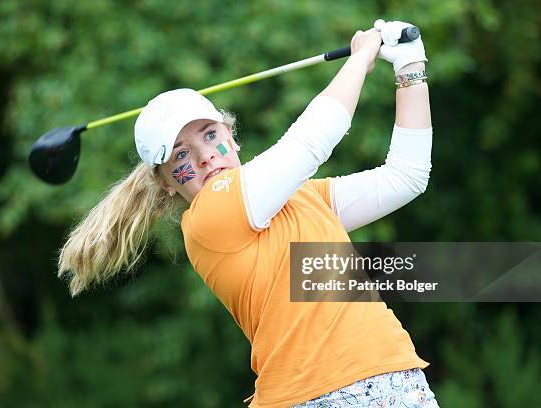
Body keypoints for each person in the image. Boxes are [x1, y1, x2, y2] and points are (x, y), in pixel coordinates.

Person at [58, 19, 439, 408]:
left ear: (230, 135)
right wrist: (360, 59)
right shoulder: (210, 214)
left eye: (209, 134)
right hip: (323, 395)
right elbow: (312, 142)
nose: (205, 156)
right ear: (167, 184)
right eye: (181, 155)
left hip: (395, 379)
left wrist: (410, 66)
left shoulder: (301, 199)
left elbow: (405, 177)